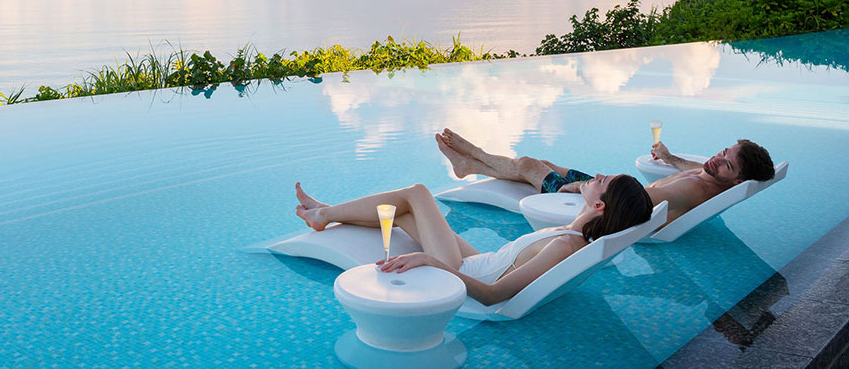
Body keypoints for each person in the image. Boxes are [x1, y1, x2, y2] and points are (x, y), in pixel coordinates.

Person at [293, 174, 652, 306]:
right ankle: (326, 211)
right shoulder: (576, 233)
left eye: (603, 181)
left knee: (417, 193)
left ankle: (324, 214)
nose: (596, 175)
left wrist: (430, 261)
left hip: (462, 272)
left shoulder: (565, 245)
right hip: (484, 261)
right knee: (403, 214)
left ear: (600, 205)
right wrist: (580, 191)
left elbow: (493, 296)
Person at [435, 129, 775, 225]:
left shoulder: (691, 191)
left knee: (527, 165)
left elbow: (631, 205)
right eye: (723, 152)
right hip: (613, 189)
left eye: (726, 164)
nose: (715, 160)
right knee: (544, 163)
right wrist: (670, 158)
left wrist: (583, 191)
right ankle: (471, 167)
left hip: (601, 202)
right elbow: (695, 169)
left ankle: (474, 155)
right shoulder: (708, 178)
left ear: (736, 181)